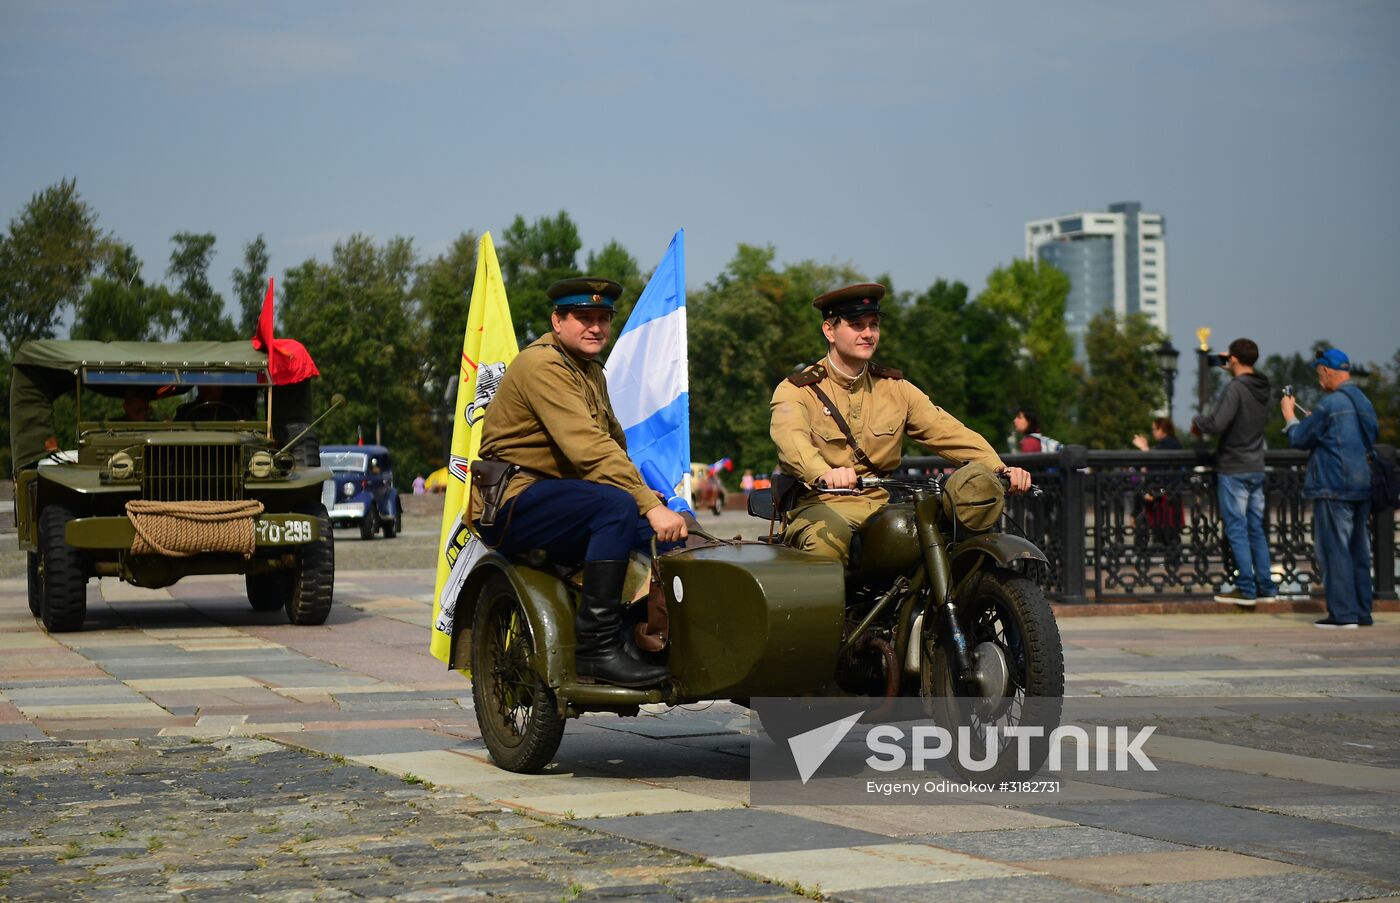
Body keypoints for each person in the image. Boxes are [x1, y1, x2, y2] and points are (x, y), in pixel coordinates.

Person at [469, 277, 687, 688]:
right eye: (584, 317)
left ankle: (654, 634)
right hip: (513, 499)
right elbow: (586, 448)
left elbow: (613, 444)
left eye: (603, 319)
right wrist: (642, 501)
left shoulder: (588, 369)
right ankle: (596, 650)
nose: (596, 327)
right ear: (557, 320)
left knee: (674, 535)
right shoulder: (543, 365)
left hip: (561, 496)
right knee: (617, 509)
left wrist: (647, 496)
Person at [769, 283, 1030, 564]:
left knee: (941, 538)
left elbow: (948, 431)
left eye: (874, 324)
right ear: (829, 331)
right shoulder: (797, 390)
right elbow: (791, 442)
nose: (868, 333)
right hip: (820, 505)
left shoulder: (897, 389)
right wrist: (822, 472)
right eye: (857, 325)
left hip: (880, 506)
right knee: (827, 543)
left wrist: (999, 468)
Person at [1283, 348, 1379, 628]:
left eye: (1318, 374)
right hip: (1362, 484)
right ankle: (1362, 613)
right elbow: (1366, 437)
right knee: (1358, 551)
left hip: (1333, 484)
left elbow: (1300, 438)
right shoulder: (1362, 401)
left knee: (1335, 550)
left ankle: (1342, 615)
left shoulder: (1330, 404)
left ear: (1326, 371)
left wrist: (1290, 416)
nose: (1318, 380)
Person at [1191, 337, 1277, 606]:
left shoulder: (1235, 388)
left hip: (1234, 466)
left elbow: (1218, 423)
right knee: (1256, 529)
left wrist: (1197, 421)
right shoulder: (1263, 387)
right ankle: (1266, 587)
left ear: (1235, 360)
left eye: (1229, 358)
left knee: (1237, 529)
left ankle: (1246, 589)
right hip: (1256, 465)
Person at [1132, 418, 1185, 545]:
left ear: (1161, 429)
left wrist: (1145, 449)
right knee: (1162, 529)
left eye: (1154, 429)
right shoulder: (1167, 443)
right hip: (1164, 490)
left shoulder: (1170, 443)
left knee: (1166, 529)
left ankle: (1167, 552)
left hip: (1166, 491)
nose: (1153, 432)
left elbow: (1160, 463)